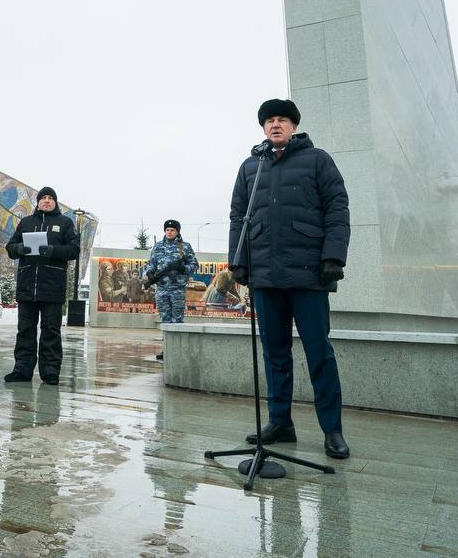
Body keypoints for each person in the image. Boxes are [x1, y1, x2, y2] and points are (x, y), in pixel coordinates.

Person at [228, 98, 351, 460]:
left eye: (282, 119)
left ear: (294, 126)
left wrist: (333, 256)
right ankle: (280, 422)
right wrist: (239, 261)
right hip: (265, 276)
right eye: (269, 120)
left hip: (308, 275)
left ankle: (332, 430)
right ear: (263, 128)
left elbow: (337, 208)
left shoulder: (317, 160)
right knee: (275, 354)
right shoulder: (251, 167)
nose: (275, 124)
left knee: (319, 353)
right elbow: (238, 216)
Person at [3, 187, 80, 385]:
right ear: (37, 202)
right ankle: (22, 370)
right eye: (43, 198)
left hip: (52, 288)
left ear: (55, 202)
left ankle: (50, 372)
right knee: (25, 330)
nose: (46, 200)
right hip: (27, 287)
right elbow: (10, 247)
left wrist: (53, 250)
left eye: (50, 198)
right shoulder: (26, 222)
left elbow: (74, 250)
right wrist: (19, 248)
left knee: (51, 332)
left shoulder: (65, 223)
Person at [143, 219, 198, 360]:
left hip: (177, 289)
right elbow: (151, 263)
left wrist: (182, 268)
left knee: (177, 320)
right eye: (167, 230)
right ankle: (167, 349)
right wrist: (150, 273)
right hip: (161, 288)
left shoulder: (184, 247)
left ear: (177, 232)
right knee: (165, 320)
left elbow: (194, 265)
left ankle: (177, 350)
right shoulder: (158, 246)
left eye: (172, 230)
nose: (169, 232)